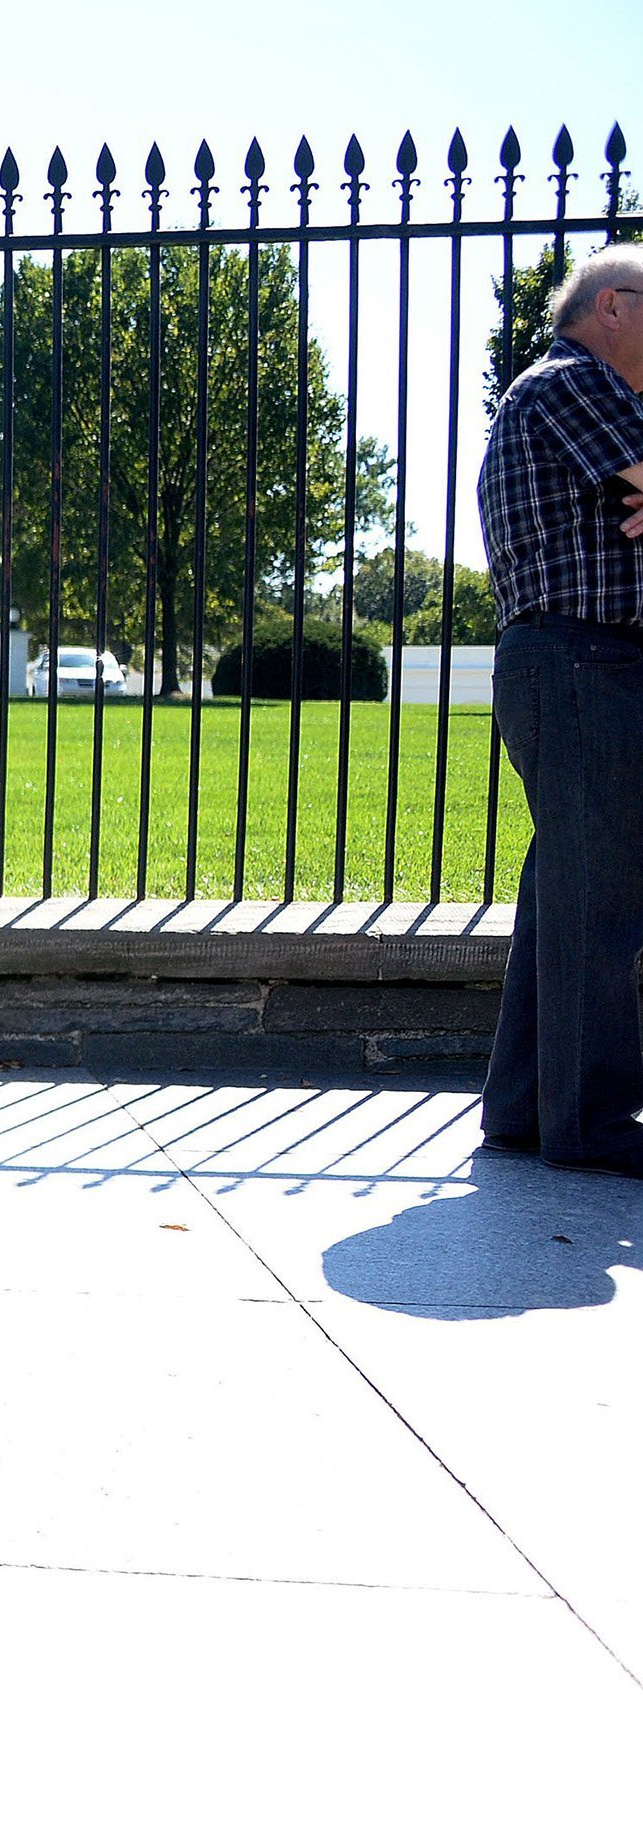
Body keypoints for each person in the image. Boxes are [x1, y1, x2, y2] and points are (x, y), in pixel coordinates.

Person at [475, 241, 643, 1178]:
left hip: (569, 663)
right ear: (612, 306)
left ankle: (528, 1108)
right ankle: (596, 1124)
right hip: (584, 661)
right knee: (604, 902)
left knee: (569, 894)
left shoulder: (564, 393)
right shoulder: (572, 382)